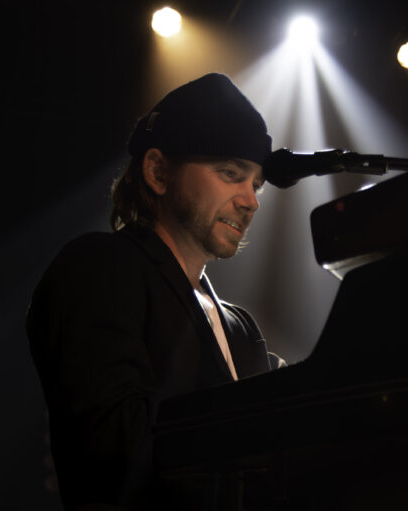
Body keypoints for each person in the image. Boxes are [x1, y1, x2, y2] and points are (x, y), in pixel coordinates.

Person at [26, 73, 284, 510]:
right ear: (158, 172)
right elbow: (114, 448)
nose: (251, 201)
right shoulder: (99, 267)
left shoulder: (239, 326)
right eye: (230, 173)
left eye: (255, 184)